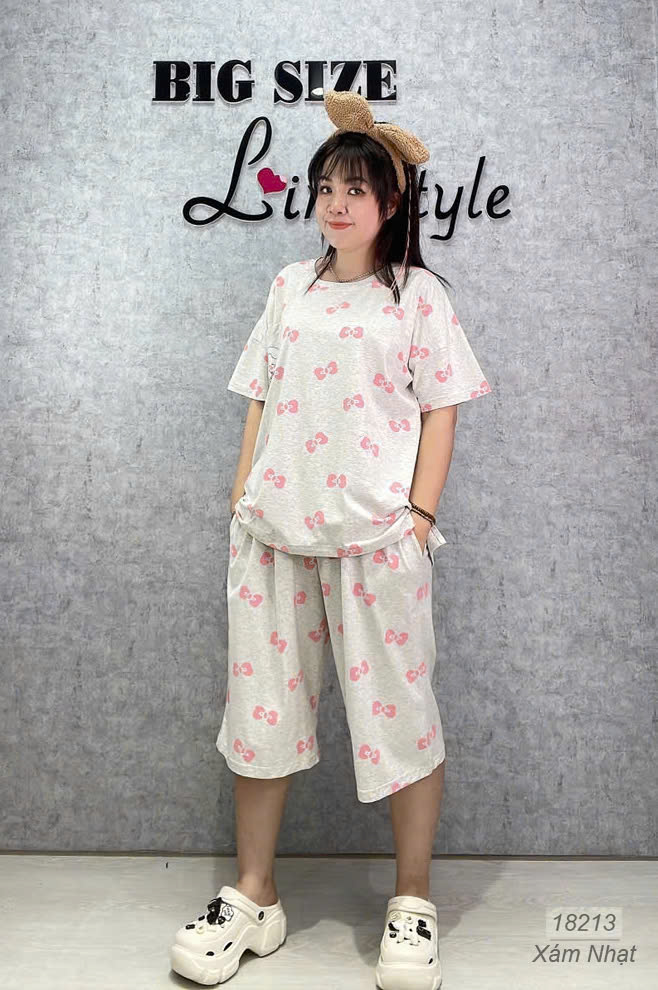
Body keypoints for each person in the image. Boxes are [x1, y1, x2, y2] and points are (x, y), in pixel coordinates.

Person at [170, 89, 493, 989]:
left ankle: (413, 901)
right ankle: (255, 896)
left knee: (401, 715)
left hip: (377, 541)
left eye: (357, 189)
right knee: (261, 714)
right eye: (326, 189)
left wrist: (419, 519)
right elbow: (261, 393)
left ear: (391, 203)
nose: (337, 204)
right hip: (273, 537)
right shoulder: (291, 288)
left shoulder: (418, 297)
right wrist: (243, 492)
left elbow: (442, 409)